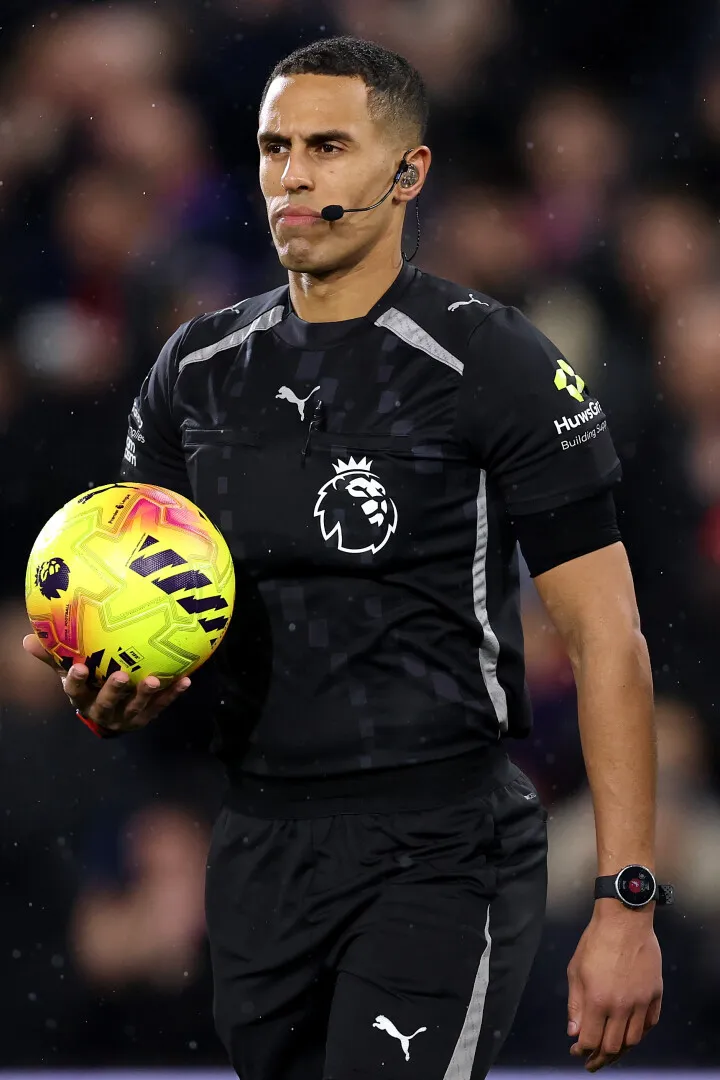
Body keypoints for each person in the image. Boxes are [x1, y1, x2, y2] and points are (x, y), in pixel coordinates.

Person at [24, 36, 666, 1080]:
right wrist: (111, 696)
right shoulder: (193, 373)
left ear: (408, 172)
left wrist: (625, 902)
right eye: (276, 146)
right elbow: (143, 613)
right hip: (259, 846)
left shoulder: (492, 363)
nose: (294, 173)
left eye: (329, 145)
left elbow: (609, 641)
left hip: (441, 848)